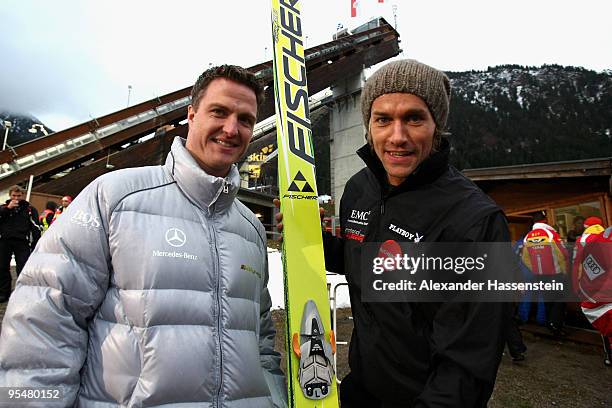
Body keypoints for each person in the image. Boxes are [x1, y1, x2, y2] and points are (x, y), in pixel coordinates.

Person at [0, 65, 287, 407]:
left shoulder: (250, 228)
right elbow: (44, 318)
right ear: (192, 115)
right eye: (219, 112)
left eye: (244, 119)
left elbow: (261, 341)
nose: (231, 128)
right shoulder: (115, 197)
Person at [279, 59, 510, 407]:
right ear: (369, 127)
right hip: (362, 388)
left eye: (414, 118)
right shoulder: (360, 189)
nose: (397, 136)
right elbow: (362, 261)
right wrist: (310, 239)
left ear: (437, 126)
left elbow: (469, 362)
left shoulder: (476, 221)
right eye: (383, 119)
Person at [521, 211, 570, 336]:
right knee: (559, 299)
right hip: (555, 273)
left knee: (548, 299)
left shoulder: (528, 236)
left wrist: (536, 269)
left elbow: (525, 258)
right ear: (545, 220)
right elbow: (563, 253)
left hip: (539, 275)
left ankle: (550, 325)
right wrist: (563, 269)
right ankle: (556, 326)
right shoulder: (550, 233)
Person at [573, 220, 611, 366]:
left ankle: (608, 355)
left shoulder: (582, 240)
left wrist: (577, 287)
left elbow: (577, 265)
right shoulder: (602, 237)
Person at [0, 185, 40, 303]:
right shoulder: (3, 208)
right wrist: (7, 209)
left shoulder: (29, 209)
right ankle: (3, 293)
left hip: (22, 241)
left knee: (23, 267)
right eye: (14, 195)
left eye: (19, 195)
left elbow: (36, 227)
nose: (16, 198)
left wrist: (35, 244)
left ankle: (23, 292)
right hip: (4, 241)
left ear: (23, 195)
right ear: (10, 195)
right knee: (2, 267)